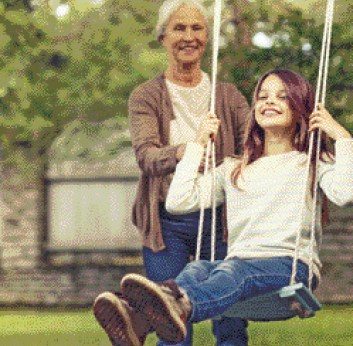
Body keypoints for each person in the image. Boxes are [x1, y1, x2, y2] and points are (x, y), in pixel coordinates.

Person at [116, 68, 353, 344]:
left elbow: (348, 193)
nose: (269, 102)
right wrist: (197, 144)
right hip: (240, 267)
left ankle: (180, 307)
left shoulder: (313, 161)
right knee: (198, 269)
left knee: (233, 271)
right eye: (263, 96)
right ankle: (138, 318)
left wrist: (342, 137)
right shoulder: (234, 168)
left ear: (302, 110)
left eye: (283, 97)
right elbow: (178, 202)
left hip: (289, 268)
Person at [92, 1, 250, 346]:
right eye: (179, 28)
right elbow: (147, 157)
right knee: (171, 324)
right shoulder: (146, 96)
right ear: (163, 36)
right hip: (167, 221)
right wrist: (186, 150)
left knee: (230, 322)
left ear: (207, 37)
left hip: (220, 219)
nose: (189, 37)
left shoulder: (229, 96)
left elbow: (251, 150)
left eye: (197, 28)